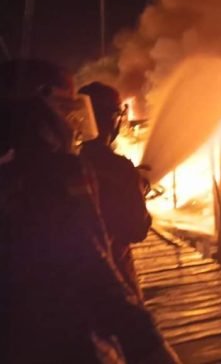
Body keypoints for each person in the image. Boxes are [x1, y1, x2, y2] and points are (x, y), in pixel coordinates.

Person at [0, 60, 179, 363]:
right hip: (72, 333)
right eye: (65, 107)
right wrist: (146, 342)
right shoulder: (64, 171)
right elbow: (93, 261)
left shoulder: (11, 171)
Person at [79, 82, 151, 298]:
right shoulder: (119, 169)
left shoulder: (67, 162)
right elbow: (137, 229)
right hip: (115, 277)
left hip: (75, 283)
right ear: (112, 118)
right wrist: (137, 190)